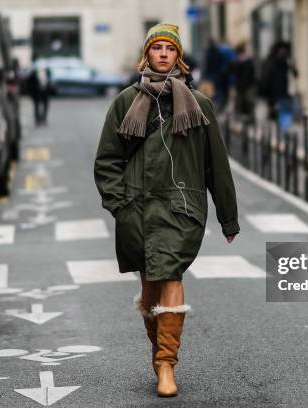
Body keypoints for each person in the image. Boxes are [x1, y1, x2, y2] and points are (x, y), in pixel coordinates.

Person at [93, 22, 240, 398]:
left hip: (181, 209)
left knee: (171, 276)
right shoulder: (126, 102)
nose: (163, 54)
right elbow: (107, 160)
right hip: (137, 210)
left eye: (169, 48)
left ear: (179, 56)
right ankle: (160, 350)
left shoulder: (199, 105)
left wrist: (228, 216)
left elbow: (215, 165)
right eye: (156, 47)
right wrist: (120, 204)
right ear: (147, 54)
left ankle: (166, 364)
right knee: (150, 289)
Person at [260, 41, 298, 136]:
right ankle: (283, 130)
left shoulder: (271, 61)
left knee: (281, 112)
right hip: (280, 93)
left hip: (278, 93)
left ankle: (282, 131)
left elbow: (295, 75)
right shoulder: (280, 62)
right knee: (284, 111)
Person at [230, 41, 256, 121]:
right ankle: (247, 122)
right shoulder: (247, 61)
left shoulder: (237, 62)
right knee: (247, 105)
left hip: (243, 87)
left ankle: (243, 122)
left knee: (242, 105)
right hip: (246, 87)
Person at [27, 61, 51, 126]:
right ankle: (37, 120)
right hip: (36, 93)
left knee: (45, 106)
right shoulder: (33, 74)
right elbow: (30, 84)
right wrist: (31, 94)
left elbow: (48, 83)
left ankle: (44, 118)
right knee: (36, 106)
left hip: (45, 93)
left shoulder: (47, 73)